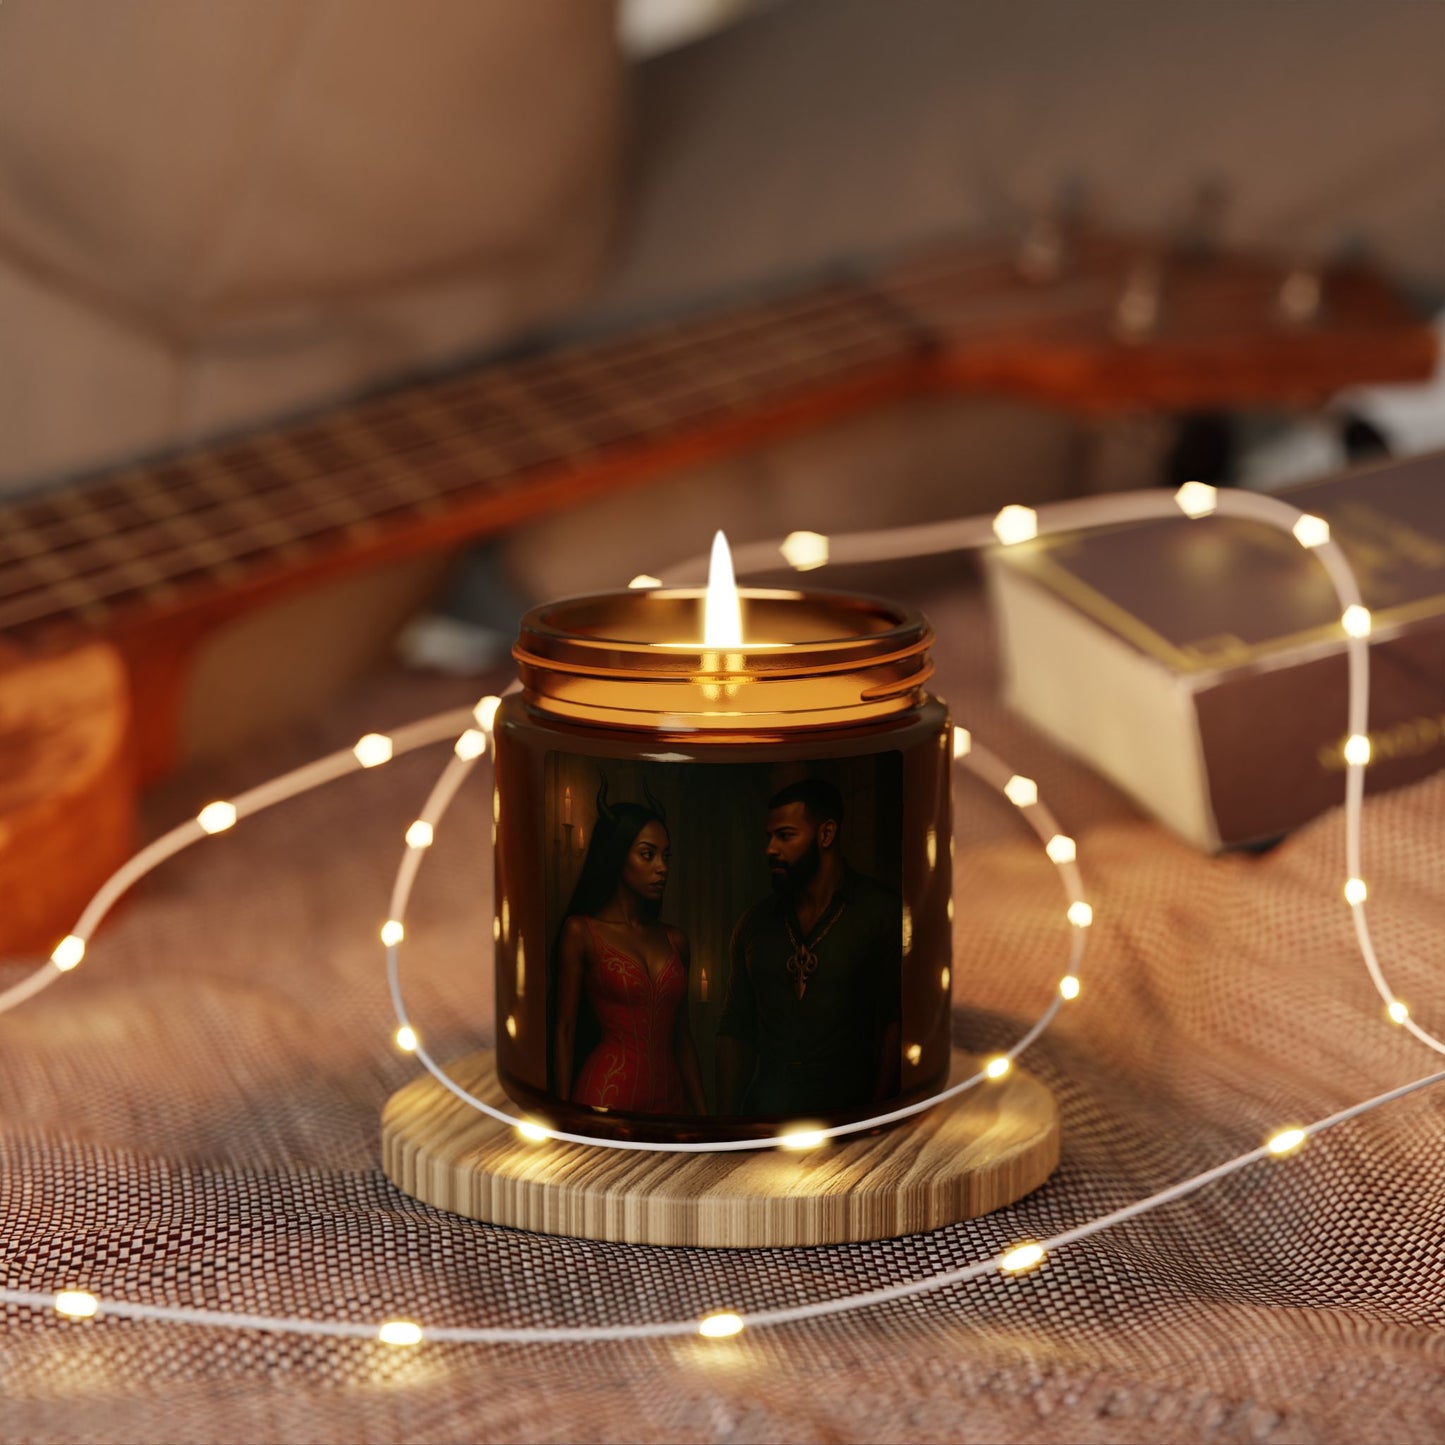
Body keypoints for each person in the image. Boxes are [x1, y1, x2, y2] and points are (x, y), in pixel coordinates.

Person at [717, 778, 901, 1117]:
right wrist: (726, 1123)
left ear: (826, 834)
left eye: (785, 835)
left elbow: (895, 1020)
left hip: (848, 1114)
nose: (770, 848)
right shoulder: (756, 923)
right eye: (769, 837)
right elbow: (736, 1027)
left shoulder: (881, 912)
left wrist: (879, 1114)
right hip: (765, 1115)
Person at [552, 779, 707, 1115]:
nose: (662, 867)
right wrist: (562, 1116)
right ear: (617, 856)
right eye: (647, 855)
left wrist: (705, 1116)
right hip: (606, 1097)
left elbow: (683, 1037)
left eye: (666, 856)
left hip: (672, 1101)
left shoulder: (675, 941)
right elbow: (565, 1030)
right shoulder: (581, 932)